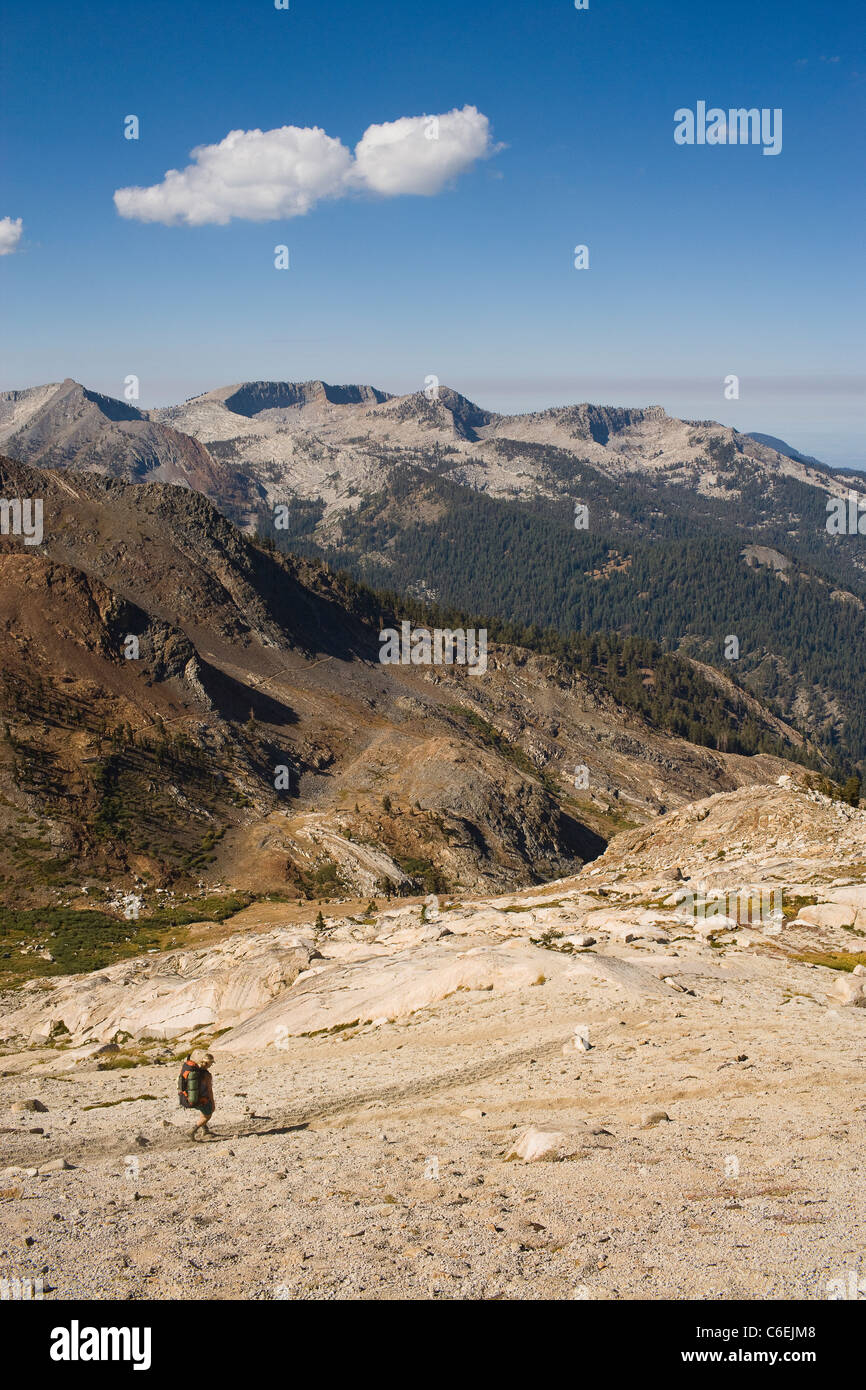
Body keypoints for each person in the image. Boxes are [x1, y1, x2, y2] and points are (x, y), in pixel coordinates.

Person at [178, 1050, 216, 1140]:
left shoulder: (192, 1070)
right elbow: (209, 1091)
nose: (211, 1065)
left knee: (203, 1111)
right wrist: (213, 1103)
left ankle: (205, 1130)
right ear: (207, 1064)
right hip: (200, 1099)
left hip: (186, 1097)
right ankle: (192, 1131)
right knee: (208, 1115)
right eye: (211, 1063)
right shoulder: (207, 1075)